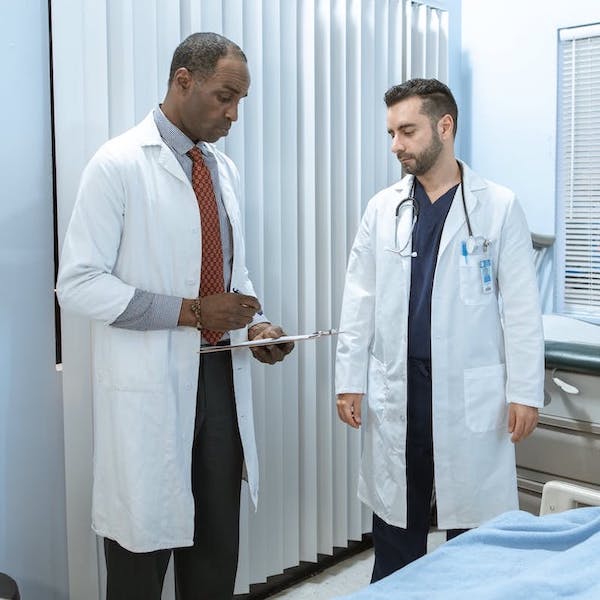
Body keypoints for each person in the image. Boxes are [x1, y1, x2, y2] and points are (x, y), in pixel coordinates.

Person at [57, 32, 294, 600]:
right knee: (140, 564)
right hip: (151, 387)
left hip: (218, 377)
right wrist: (191, 312)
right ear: (182, 81)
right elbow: (78, 285)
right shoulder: (117, 164)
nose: (234, 113)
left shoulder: (222, 172)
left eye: (241, 100)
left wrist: (254, 324)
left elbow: (233, 276)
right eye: (224, 97)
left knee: (215, 554)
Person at [334, 78, 544, 582]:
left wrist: (524, 391)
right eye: (391, 132)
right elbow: (358, 296)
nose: (395, 145)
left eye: (407, 131)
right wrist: (350, 377)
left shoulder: (498, 205)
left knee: (472, 529)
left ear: (444, 127)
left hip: (470, 387)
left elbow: (519, 308)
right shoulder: (384, 208)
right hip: (398, 385)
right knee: (396, 519)